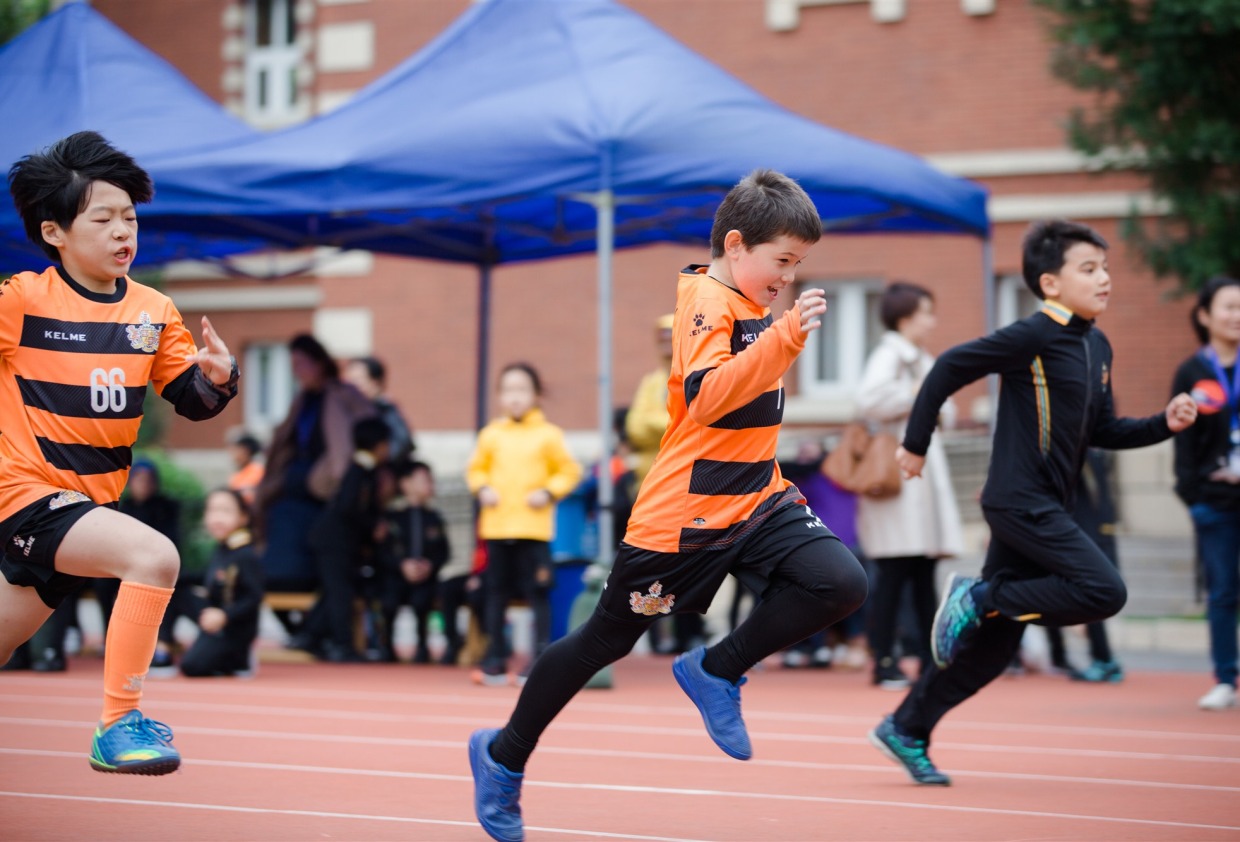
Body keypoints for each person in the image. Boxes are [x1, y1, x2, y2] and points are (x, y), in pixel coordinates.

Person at [467, 169, 868, 842]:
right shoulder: (707, 303)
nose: (789, 279)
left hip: (758, 499)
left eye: (798, 266)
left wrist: (776, 333)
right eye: (783, 262)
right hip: (686, 516)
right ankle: (502, 757)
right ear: (736, 246)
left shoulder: (750, 299)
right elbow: (710, 396)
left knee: (840, 582)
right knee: (605, 640)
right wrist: (786, 338)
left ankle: (717, 667)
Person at [869, 219, 1197, 787]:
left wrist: (1163, 424)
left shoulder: (1097, 345)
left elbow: (1106, 429)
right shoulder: (1034, 335)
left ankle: (907, 726)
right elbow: (948, 368)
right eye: (1088, 269)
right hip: (1020, 502)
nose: (1105, 279)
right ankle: (981, 593)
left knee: (992, 650)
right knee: (1103, 589)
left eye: (1105, 267)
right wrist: (915, 444)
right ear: (1050, 283)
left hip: (1047, 506)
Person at [0, 131, 238, 774]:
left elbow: (189, 398)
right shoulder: (20, 299)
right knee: (154, 554)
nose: (120, 231)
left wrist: (217, 378)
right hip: (25, 497)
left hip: (85, 511)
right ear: (55, 232)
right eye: (102, 218)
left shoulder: (153, 310)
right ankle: (119, 722)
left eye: (129, 217)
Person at [854, 282, 964, 689]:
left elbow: (948, 409)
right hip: (896, 482)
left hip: (921, 480)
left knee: (922, 572)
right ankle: (883, 660)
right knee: (894, 573)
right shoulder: (890, 357)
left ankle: (930, 658)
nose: (932, 322)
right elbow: (869, 400)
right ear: (905, 318)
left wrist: (930, 399)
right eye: (926, 313)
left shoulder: (921, 358)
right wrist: (917, 393)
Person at [465, 362, 583, 685]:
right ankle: (495, 658)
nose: (515, 397)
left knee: (538, 593)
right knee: (496, 593)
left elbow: (569, 471)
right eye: (508, 390)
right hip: (498, 528)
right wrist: (482, 488)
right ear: (500, 396)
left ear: (535, 395)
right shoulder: (491, 434)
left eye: (521, 390)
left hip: (533, 530)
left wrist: (548, 491)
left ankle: (540, 658)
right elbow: (476, 469)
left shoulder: (549, 435)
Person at [255, 334, 374, 631]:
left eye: (301, 363)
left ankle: (312, 634)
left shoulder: (342, 395)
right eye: (292, 364)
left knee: (324, 568)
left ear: (319, 363)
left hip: (326, 497)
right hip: (293, 495)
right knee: (274, 568)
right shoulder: (303, 400)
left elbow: (368, 437)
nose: (296, 370)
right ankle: (302, 633)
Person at [1171, 275, 1240, 711]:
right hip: (1215, 504)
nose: (1237, 316)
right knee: (1222, 592)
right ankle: (1226, 678)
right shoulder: (1191, 371)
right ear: (1205, 315)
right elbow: (1183, 446)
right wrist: (1194, 498)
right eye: (1229, 307)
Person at [297, 416, 391, 662]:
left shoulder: (361, 468)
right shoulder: (360, 470)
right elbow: (349, 507)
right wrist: (373, 526)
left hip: (333, 540)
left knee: (333, 591)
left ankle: (310, 636)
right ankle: (343, 645)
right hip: (333, 541)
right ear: (380, 445)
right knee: (341, 592)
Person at [1043, 448, 1124, 682]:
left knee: (1092, 595)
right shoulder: (1087, 452)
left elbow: (1095, 500)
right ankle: (1073, 656)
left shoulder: (1080, 452)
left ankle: (1103, 659)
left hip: (1085, 534)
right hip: (1089, 532)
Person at [179, 489, 264, 678]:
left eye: (225, 511)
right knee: (172, 588)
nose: (217, 517)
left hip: (233, 627)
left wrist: (225, 615)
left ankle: (240, 657)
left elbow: (254, 597)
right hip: (213, 618)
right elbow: (208, 578)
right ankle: (163, 645)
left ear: (243, 517)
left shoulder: (244, 554)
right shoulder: (221, 549)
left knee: (192, 667)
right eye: (212, 511)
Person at [379, 459, 451, 663]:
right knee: (389, 599)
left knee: (423, 600)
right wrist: (401, 565)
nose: (429, 484)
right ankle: (386, 645)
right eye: (424, 480)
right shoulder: (392, 516)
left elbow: (444, 552)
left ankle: (422, 645)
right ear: (406, 483)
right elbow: (382, 551)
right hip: (396, 576)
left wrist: (429, 566)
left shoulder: (434, 518)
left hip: (425, 578)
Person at [344, 355, 415, 461]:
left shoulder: (385, 410)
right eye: (348, 380)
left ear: (375, 383)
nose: (349, 386)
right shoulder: (342, 410)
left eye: (356, 380)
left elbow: (401, 443)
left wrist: (377, 462)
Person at [226, 430, 265, 506]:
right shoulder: (238, 473)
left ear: (246, 451)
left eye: (236, 450)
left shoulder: (257, 471)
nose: (233, 455)